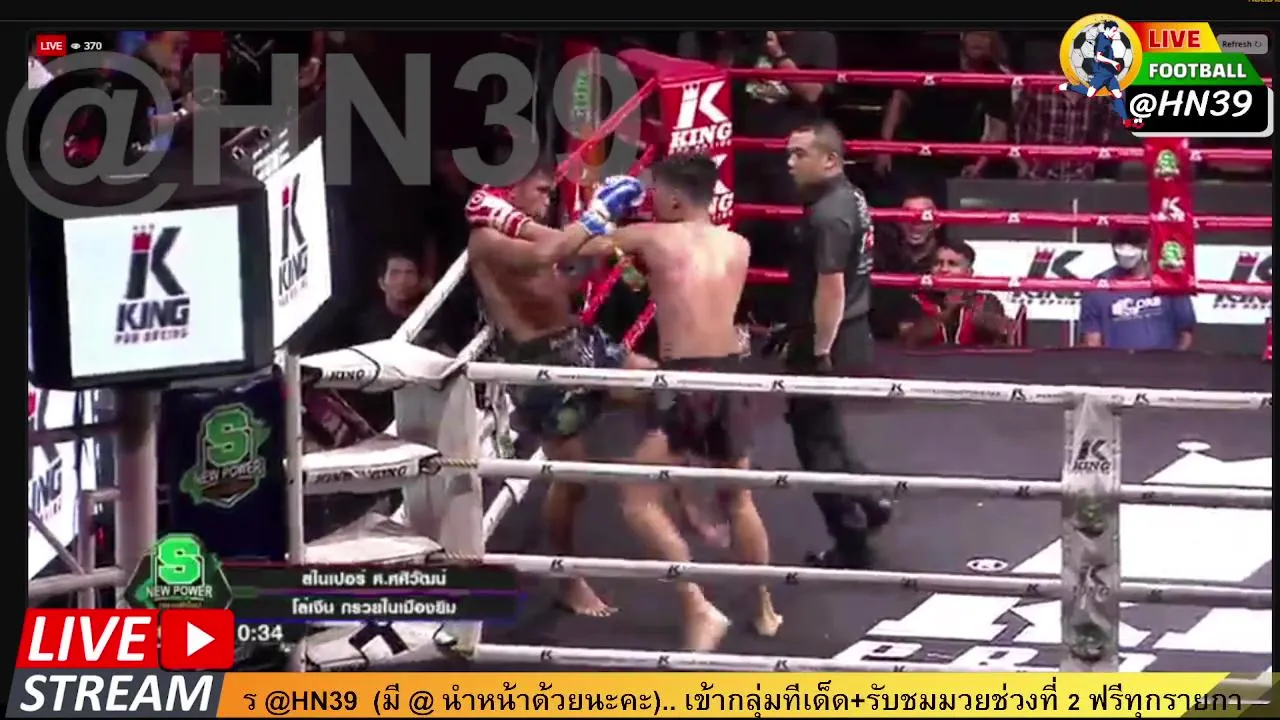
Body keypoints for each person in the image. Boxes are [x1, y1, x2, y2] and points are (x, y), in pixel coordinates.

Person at [569, 154, 781, 652]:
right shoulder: (738, 243)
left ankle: (697, 606)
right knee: (738, 496)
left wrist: (600, 209)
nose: (652, 201)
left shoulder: (653, 236)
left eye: (658, 193)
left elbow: (577, 244)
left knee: (636, 495)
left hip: (689, 377)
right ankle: (765, 608)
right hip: (732, 373)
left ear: (676, 198)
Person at [466, 165, 654, 617]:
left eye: (551, 192)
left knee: (656, 384)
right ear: (511, 189)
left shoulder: (529, 229)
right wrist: (597, 215)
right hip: (539, 362)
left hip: (578, 339)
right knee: (573, 476)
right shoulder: (487, 239)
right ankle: (567, 579)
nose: (548, 199)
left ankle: (666, 489)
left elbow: (564, 264)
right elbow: (545, 254)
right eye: (541, 190)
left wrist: (620, 236)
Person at [779, 121, 891, 570]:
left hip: (830, 334)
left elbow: (831, 288)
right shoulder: (851, 195)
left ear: (830, 160)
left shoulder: (829, 213)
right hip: (848, 327)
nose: (790, 162)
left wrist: (819, 349)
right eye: (789, 153)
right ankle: (871, 499)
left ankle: (852, 540)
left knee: (815, 445)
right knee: (825, 430)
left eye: (799, 154)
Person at [1078, 230, 1195, 350]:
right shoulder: (1099, 285)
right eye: (1121, 242)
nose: (1126, 248)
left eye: (1133, 241)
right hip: (1117, 361)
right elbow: (1092, 341)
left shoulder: (1169, 280)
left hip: (1164, 360)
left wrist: (1175, 361)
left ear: (1147, 245)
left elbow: (1186, 333)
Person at [899, 240, 1011, 347]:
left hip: (973, 360)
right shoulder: (915, 300)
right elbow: (908, 339)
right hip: (926, 360)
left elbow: (999, 333)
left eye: (952, 264)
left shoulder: (986, 300)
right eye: (938, 263)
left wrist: (973, 312)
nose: (943, 269)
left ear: (968, 273)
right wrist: (948, 312)